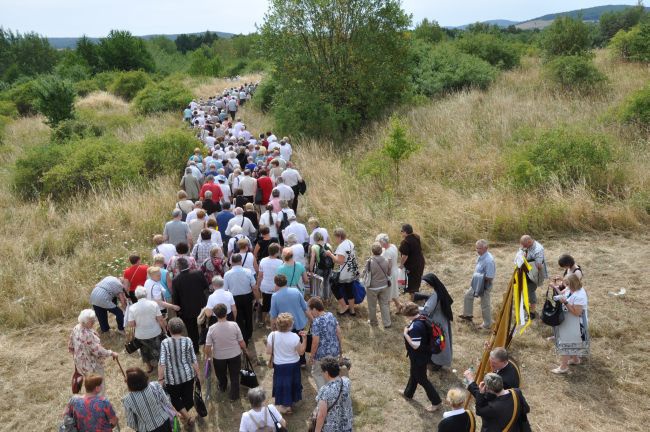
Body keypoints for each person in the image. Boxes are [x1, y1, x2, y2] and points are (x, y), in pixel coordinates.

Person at [400, 302, 442, 412]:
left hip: (419, 357)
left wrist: (405, 334)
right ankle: (408, 393)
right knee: (414, 374)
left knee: (422, 379)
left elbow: (415, 345)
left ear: (408, 315)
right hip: (424, 354)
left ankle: (436, 402)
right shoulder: (422, 318)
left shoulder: (415, 327)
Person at [158, 318, 199, 426]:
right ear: (182, 329)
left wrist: (160, 379)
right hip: (188, 376)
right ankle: (187, 415)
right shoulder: (188, 340)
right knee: (188, 398)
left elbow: (162, 362)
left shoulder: (165, 343)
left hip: (172, 379)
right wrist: (198, 374)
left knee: (175, 399)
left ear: (168, 329)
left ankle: (186, 416)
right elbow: (193, 359)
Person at [205, 303, 248, 401]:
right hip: (235, 355)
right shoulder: (234, 325)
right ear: (226, 313)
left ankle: (222, 387)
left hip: (219, 357)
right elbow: (241, 341)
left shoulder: (212, 329)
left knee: (221, 374)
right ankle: (234, 396)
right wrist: (245, 350)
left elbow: (208, 346)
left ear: (215, 314)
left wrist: (208, 356)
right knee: (234, 375)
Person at [266, 312, 308, 414]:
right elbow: (301, 352)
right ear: (289, 325)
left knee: (282, 385)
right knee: (292, 383)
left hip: (279, 365)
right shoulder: (294, 336)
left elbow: (268, 351)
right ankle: (290, 403)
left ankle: (284, 405)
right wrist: (305, 339)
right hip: (293, 364)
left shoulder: (272, 335)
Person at [552, 273, 589, 374]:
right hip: (570, 320)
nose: (566, 286)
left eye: (567, 284)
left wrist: (565, 302)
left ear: (573, 284)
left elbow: (577, 313)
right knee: (572, 342)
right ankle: (575, 359)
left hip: (576, 323)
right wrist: (555, 288)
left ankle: (563, 367)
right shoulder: (570, 289)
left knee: (567, 343)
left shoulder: (580, 295)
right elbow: (563, 294)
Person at [68, 310, 119, 383]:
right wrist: (111, 353)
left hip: (80, 362)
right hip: (91, 365)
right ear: (84, 321)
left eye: (94, 320)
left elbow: (71, 344)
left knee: (89, 383)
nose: (94, 322)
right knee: (98, 385)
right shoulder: (87, 335)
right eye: (91, 321)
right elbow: (98, 351)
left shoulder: (76, 327)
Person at [172, 258, 208, 354]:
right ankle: (206, 345)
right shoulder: (198, 273)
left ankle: (196, 350)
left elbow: (176, 298)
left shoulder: (176, 280)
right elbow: (205, 286)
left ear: (178, 267)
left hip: (187, 310)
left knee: (192, 331)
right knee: (204, 326)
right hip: (201, 306)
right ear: (188, 264)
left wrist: (178, 312)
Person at [122, 367, 177, 432]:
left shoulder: (127, 400)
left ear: (130, 384)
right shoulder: (155, 385)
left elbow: (131, 423)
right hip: (164, 423)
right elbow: (166, 402)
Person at [128, 286, 166, 373]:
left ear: (136, 296)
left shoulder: (132, 308)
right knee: (158, 349)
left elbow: (131, 324)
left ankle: (149, 367)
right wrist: (164, 329)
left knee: (144, 351)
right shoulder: (153, 304)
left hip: (141, 335)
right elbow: (160, 319)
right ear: (146, 294)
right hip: (155, 332)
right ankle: (162, 367)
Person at [460, 239, 497, 329]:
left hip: (484, 285)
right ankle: (468, 316)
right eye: (476, 248)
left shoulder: (489, 261)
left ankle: (487, 324)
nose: (477, 250)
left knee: (485, 305)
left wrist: (479, 277)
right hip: (477, 283)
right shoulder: (481, 256)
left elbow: (490, 277)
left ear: (486, 248)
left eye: (479, 248)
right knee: (468, 296)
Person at [223, 253, 259, 344]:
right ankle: (249, 334)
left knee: (238, 318)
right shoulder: (248, 271)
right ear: (241, 261)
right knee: (248, 316)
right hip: (247, 297)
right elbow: (254, 287)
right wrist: (257, 299)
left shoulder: (227, 274)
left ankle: (242, 336)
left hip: (234, 298)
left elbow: (225, 290)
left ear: (231, 262)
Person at [308, 297, 342, 390]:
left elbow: (315, 342)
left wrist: (311, 356)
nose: (310, 313)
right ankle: (333, 392)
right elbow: (338, 332)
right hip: (334, 351)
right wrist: (340, 350)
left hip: (321, 355)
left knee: (316, 373)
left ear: (314, 309)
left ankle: (325, 395)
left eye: (310, 310)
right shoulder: (331, 315)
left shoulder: (316, 322)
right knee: (330, 374)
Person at [421, 273, 454, 368]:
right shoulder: (441, 291)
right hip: (443, 321)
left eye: (427, 283)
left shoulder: (435, 295)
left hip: (437, 323)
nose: (427, 285)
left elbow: (427, 310)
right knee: (442, 341)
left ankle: (437, 362)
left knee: (438, 342)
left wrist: (415, 309)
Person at [313, 356, 353, 432]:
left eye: (322, 371)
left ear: (326, 373)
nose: (321, 373)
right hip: (346, 426)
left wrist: (317, 430)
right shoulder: (346, 381)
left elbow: (321, 415)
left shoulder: (324, 390)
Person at [325, 228, 359, 316]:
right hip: (352, 270)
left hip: (345, 273)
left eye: (336, 237)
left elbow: (340, 261)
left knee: (334, 287)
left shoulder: (342, 246)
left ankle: (344, 306)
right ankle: (352, 310)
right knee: (349, 290)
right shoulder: (350, 242)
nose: (335, 240)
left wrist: (330, 254)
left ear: (339, 237)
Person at [518, 235, 547, 318]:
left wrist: (529, 264)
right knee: (524, 289)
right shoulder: (527, 245)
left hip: (534, 273)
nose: (523, 246)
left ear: (529, 242)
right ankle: (525, 306)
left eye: (524, 245)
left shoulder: (538, 249)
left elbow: (539, 266)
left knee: (530, 291)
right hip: (526, 271)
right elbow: (521, 251)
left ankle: (532, 312)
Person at [364, 242, 392, 328]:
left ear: (372, 251)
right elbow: (388, 273)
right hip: (384, 286)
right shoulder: (386, 260)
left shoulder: (369, 262)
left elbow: (366, 273)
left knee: (372, 306)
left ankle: (373, 322)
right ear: (381, 251)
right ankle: (387, 323)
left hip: (372, 287)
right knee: (384, 304)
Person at [256, 243, 283, 326]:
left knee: (266, 304)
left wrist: (258, 285)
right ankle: (276, 321)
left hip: (265, 286)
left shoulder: (263, 260)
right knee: (276, 304)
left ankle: (263, 320)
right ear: (277, 252)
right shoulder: (280, 262)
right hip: (276, 287)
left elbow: (260, 275)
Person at [398, 224, 426, 300]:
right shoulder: (416, 237)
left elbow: (405, 256)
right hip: (420, 262)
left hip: (413, 265)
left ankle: (412, 300)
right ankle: (414, 295)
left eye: (402, 231)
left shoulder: (405, 242)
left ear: (405, 232)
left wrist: (401, 264)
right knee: (416, 280)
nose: (401, 233)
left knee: (412, 282)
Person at [376, 233, 401, 312]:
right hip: (395, 270)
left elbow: (389, 266)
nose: (379, 244)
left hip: (390, 273)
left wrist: (387, 274)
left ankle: (387, 310)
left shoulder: (387, 252)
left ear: (383, 242)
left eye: (379, 242)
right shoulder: (393, 246)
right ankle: (398, 305)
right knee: (392, 290)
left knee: (387, 293)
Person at [309, 231, 333, 299]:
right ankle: (326, 298)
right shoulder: (329, 245)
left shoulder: (314, 247)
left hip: (320, 268)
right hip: (328, 268)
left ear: (315, 239)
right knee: (326, 283)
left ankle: (319, 299)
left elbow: (312, 260)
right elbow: (332, 256)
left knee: (318, 285)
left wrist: (311, 270)